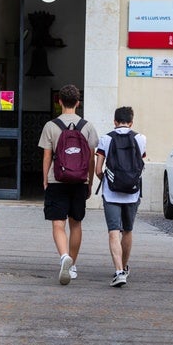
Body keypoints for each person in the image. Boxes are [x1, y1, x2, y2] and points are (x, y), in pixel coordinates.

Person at [38, 84, 98, 285]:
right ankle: (72, 266)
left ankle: (64, 256)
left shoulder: (51, 126)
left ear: (59, 102)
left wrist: (45, 177)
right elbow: (89, 158)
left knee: (58, 223)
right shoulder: (87, 126)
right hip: (80, 180)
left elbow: (47, 155)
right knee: (76, 223)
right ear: (78, 103)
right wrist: (89, 180)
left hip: (58, 179)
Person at [95, 106, 146, 287]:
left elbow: (97, 170)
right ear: (131, 122)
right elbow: (141, 164)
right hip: (132, 193)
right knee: (128, 230)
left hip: (111, 193)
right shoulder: (140, 138)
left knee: (113, 231)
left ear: (114, 121)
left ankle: (118, 272)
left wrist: (110, 181)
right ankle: (124, 267)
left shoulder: (106, 138)